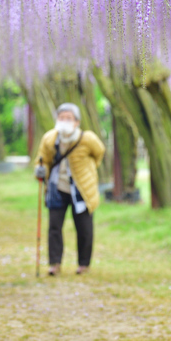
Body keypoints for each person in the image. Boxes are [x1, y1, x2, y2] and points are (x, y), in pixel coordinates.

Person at [34, 103, 105, 275]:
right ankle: (55, 264)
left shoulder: (87, 138)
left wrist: (89, 170)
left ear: (77, 122)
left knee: (84, 228)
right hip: (57, 187)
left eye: (68, 118)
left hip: (82, 190)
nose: (64, 121)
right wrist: (40, 171)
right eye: (61, 117)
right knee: (54, 227)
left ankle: (83, 264)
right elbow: (42, 160)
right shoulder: (50, 138)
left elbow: (99, 153)